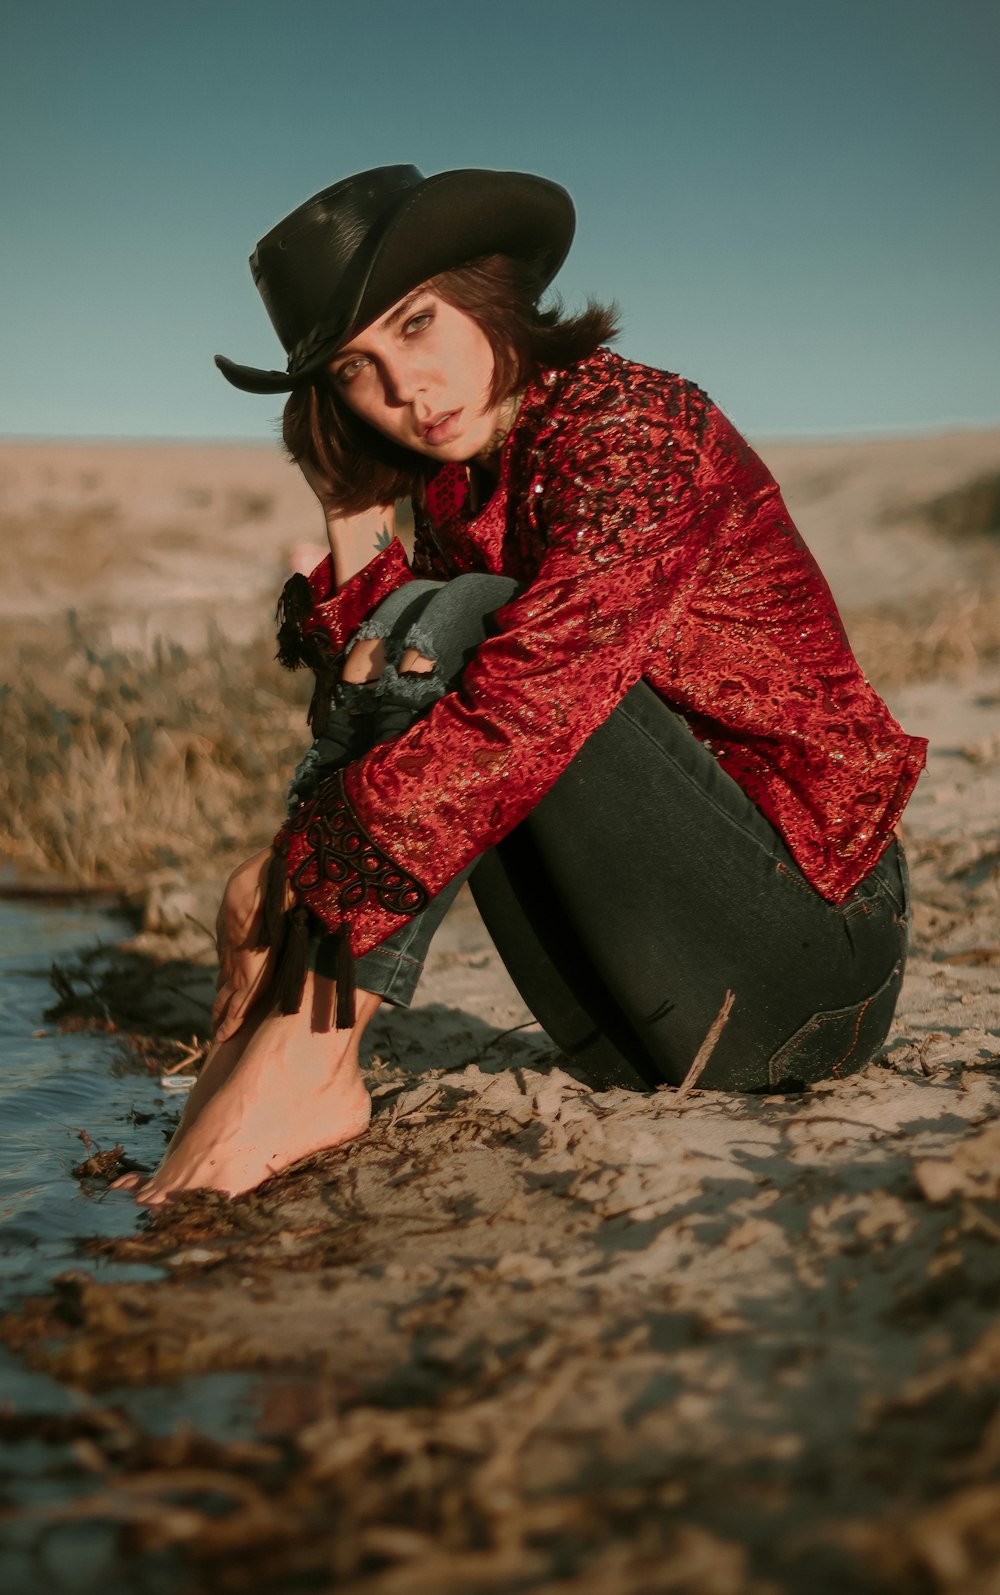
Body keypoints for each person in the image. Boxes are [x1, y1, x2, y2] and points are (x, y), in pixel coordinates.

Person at [114, 165, 926, 1205]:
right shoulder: (462, 486)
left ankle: (305, 1061)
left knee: (464, 619)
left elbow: (519, 713)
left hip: (810, 966)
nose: (402, 390)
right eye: (356, 370)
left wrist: (295, 862)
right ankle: (291, 1040)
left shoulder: (632, 429)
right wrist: (354, 511)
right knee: (432, 625)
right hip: (638, 1018)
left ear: (487, 292)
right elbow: (379, 705)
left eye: (415, 325)